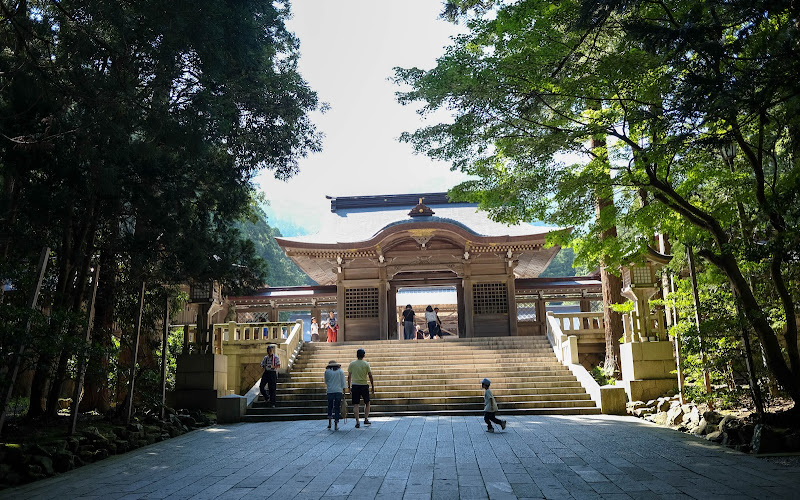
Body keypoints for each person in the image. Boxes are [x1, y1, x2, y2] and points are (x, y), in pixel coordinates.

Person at [348, 348, 374, 428]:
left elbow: (349, 376)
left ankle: (357, 421)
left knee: (356, 404)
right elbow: (370, 375)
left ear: (357, 355)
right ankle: (366, 418)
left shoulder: (352, 364)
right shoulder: (366, 364)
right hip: (364, 385)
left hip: (355, 385)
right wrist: (373, 386)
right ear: (363, 355)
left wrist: (349, 386)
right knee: (367, 402)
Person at [324, 360, 346, 430]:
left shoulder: (327, 372)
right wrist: (344, 392)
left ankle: (329, 422)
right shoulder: (340, 371)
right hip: (338, 391)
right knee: (337, 407)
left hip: (330, 391)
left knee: (330, 406)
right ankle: (336, 423)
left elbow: (326, 381)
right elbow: (343, 382)